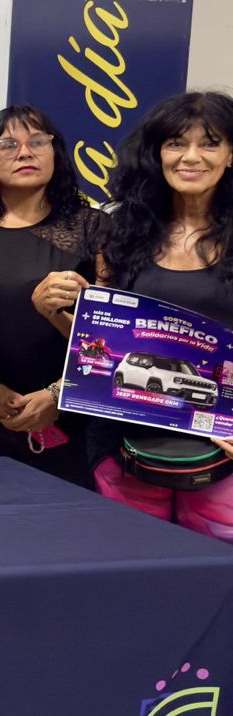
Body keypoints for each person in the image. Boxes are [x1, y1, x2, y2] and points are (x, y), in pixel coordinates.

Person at [87, 91, 233, 540]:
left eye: (209, 143)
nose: (191, 156)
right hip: (127, 444)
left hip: (222, 450)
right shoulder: (121, 233)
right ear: (157, 153)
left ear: (231, 155)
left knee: (212, 570)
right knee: (129, 562)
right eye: (176, 143)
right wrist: (63, 310)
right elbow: (100, 346)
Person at [0, 106, 105, 487]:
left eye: (37, 142)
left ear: (56, 151)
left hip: (68, 423)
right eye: (8, 145)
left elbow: (112, 337)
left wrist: (58, 395)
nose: (25, 153)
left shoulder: (93, 226)